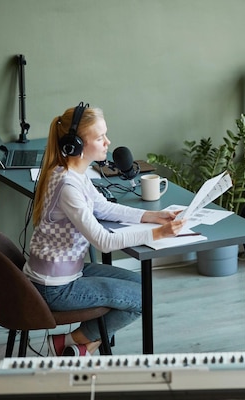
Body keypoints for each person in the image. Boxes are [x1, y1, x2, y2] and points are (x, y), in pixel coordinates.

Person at [24, 103, 187, 356]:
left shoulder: (74, 172)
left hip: (68, 273)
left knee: (141, 285)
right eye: (99, 137)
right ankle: (73, 341)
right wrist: (157, 234)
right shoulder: (68, 185)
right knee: (142, 298)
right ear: (75, 145)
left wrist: (153, 216)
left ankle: (75, 345)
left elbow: (103, 208)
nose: (107, 142)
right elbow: (102, 241)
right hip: (54, 287)